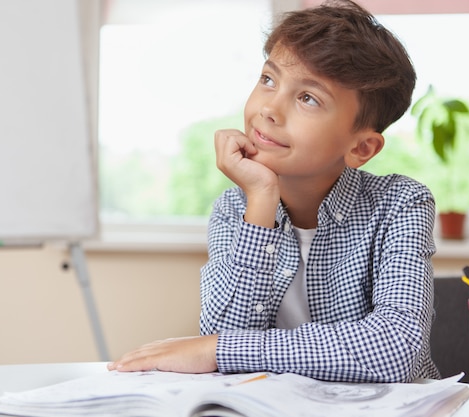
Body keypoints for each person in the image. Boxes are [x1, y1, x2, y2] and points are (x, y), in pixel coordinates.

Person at [108, 0, 441, 383]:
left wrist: (219, 350)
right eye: (269, 79)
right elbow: (224, 332)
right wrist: (261, 202)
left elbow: (393, 349)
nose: (270, 109)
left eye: (308, 98)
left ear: (361, 148)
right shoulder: (235, 209)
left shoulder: (400, 204)